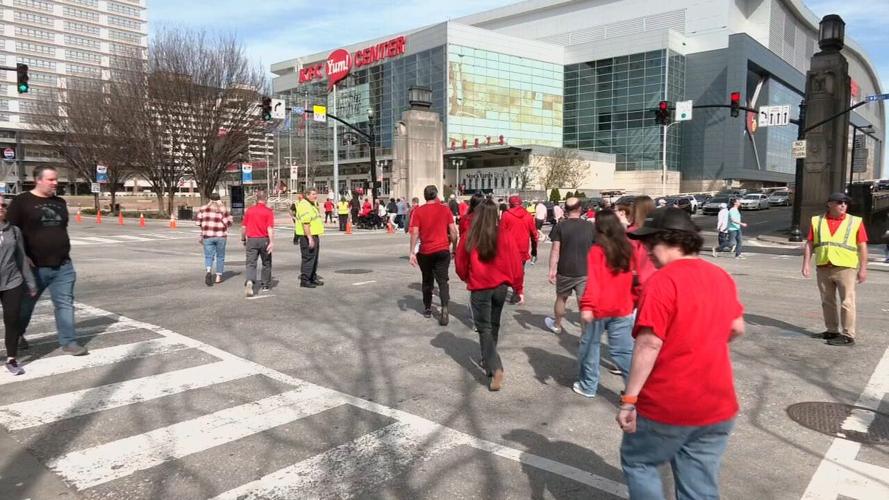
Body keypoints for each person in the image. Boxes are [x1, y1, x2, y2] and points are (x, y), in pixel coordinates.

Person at [621, 207, 745, 499]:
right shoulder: (720, 276)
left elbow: (649, 344)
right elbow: (737, 327)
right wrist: (703, 343)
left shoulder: (662, 282)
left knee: (639, 461)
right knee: (699, 482)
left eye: (651, 242)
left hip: (670, 403)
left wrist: (629, 400)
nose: (646, 249)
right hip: (717, 402)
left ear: (670, 239)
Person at [9, 166, 87, 356]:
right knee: (25, 306)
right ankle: (17, 335)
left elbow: (61, 229)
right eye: (51, 179)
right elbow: (11, 231)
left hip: (63, 266)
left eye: (56, 179)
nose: (55, 183)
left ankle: (69, 342)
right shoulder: (21, 202)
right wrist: (23, 257)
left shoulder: (59, 202)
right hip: (33, 267)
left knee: (65, 303)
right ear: (38, 180)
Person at [455, 199, 523, 391]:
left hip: (480, 286)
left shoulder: (470, 235)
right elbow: (516, 263)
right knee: (493, 325)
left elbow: (460, 263)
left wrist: (466, 277)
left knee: (484, 328)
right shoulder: (505, 235)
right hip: (500, 287)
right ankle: (488, 361)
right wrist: (518, 287)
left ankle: (494, 365)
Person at [573, 210, 636, 398]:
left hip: (599, 308)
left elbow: (594, 281)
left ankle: (588, 385)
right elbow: (633, 277)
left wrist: (586, 306)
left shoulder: (597, 251)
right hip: (623, 306)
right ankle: (637, 390)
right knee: (623, 353)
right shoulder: (628, 248)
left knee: (590, 347)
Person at [802, 192, 868, 346]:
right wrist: (806, 263)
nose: (843, 205)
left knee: (847, 302)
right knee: (827, 301)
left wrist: (863, 269)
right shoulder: (817, 221)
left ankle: (848, 335)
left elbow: (862, 246)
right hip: (824, 266)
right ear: (829, 204)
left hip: (846, 268)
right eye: (839, 202)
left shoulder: (855, 222)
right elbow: (810, 243)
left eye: (845, 202)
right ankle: (832, 330)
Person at [545, 198, 595, 335]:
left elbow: (555, 249)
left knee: (561, 298)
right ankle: (584, 334)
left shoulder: (560, 226)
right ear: (580, 209)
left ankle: (557, 325)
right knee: (583, 303)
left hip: (565, 269)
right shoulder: (590, 226)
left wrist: (552, 269)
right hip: (585, 270)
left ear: (566, 210)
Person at [409, 185, 458, 325]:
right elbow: (453, 232)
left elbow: (415, 232)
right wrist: (454, 247)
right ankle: (444, 307)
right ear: (436, 195)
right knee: (443, 281)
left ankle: (428, 308)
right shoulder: (445, 209)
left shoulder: (418, 211)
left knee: (427, 280)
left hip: (426, 251)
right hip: (442, 249)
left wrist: (412, 251)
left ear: (425, 196)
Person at [0, 199, 37, 375]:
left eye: (3, 205)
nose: (1, 208)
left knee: (12, 319)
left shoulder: (14, 231)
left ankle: (12, 359)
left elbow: (21, 258)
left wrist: (30, 282)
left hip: (12, 282)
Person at [500, 196, 537, 303]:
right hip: (523, 248)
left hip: (508, 248)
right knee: (520, 271)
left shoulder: (506, 215)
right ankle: (518, 291)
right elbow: (534, 235)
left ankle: (509, 290)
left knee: (507, 271)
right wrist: (534, 249)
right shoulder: (528, 216)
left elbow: (501, 233)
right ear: (521, 203)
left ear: (510, 204)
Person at [195, 193, 233, 286]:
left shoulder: (203, 208)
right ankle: (218, 276)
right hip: (221, 236)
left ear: (210, 199)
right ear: (219, 200)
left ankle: (208, 271)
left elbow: (197, 222)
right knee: (220, 256)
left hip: (207, 235)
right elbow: (228, 223)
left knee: (208, 256)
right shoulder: (223, 209)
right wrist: (222, 207)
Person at [241, 190, 274, 297]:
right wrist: (271, 241)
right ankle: (265, 284)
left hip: (251, 239)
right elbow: (270, 228)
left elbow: (243, 227)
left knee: (251, 263)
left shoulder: (249, 211)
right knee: (266, 262)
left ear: (256, 198)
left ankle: (250, 280)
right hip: (264, 239)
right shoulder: (268, 211)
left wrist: (243, 238)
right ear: (266, 199)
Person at [296, 189, 325, 288]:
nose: (315, 196)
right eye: (313, 194)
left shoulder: (311, 204)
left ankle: (312, 277)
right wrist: (310, 238)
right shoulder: (304, 205)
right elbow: (306, 223)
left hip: (314, 234)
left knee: (314, 258)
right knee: (308, 258)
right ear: (307, 195)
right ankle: (305, 280)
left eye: (315, 194)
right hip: (307, 236)